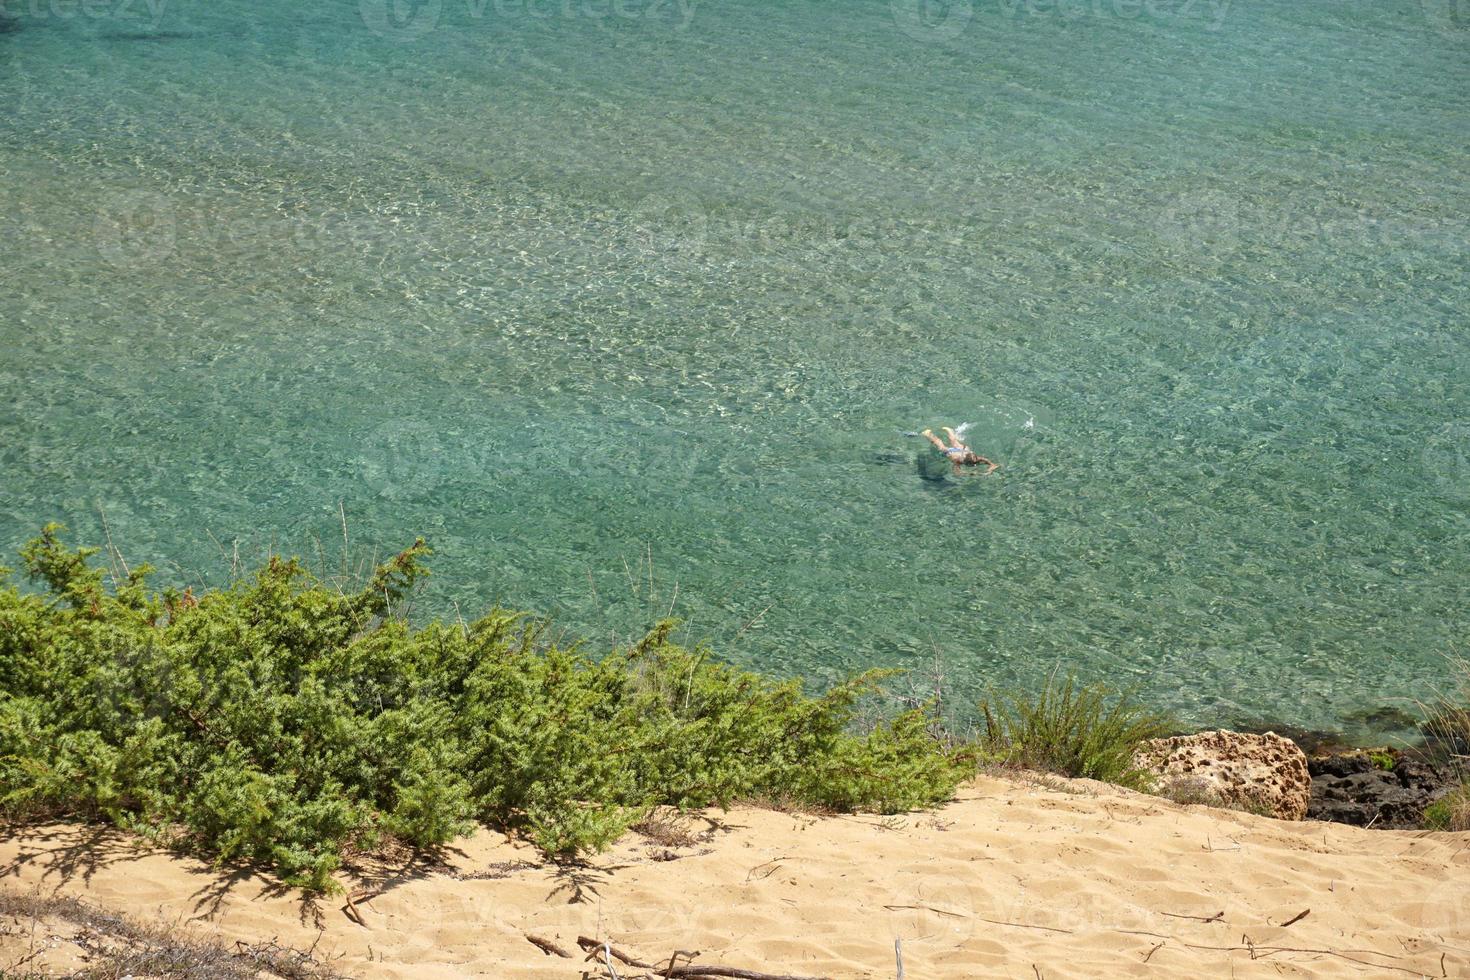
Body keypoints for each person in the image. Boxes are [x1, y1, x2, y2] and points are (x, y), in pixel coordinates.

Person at [922, 427, 999, 475]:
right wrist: (968, 473)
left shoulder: (976, 458)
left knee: (954, 441)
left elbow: (988, 462)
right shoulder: (958, 460)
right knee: (941, 446)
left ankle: (949, 430)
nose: (975, 463)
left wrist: (991, 466)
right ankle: (928, 434)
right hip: (953, 452)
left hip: (963, 450)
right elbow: (957, 472)